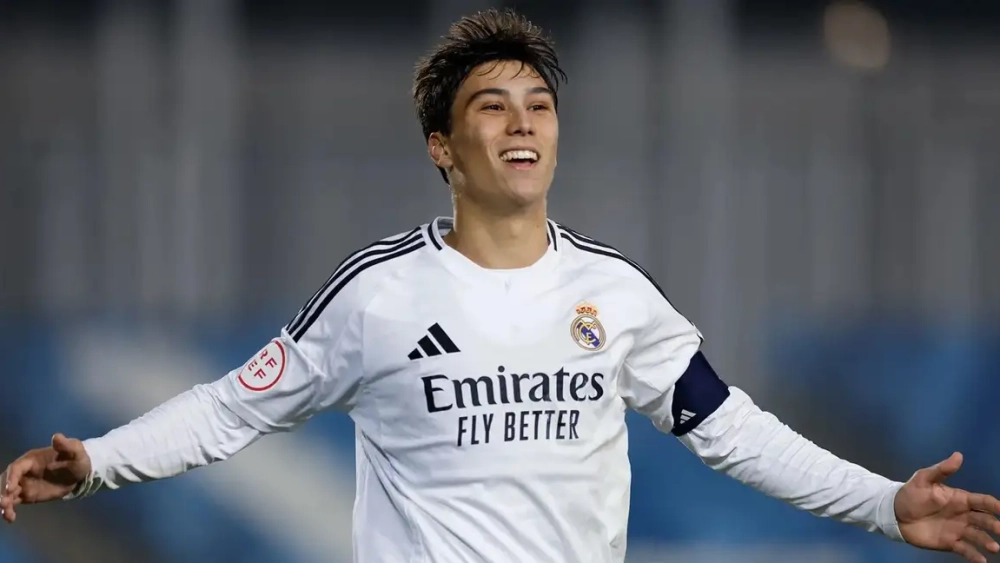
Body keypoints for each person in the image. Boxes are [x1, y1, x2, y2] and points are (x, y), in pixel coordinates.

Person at [2, 8, 999, 563]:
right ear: (443, 145)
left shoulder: (615, 295)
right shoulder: (375, 295)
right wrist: (95, 461)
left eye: (538, 103)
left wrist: (883, 503)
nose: (523, 123)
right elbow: (231, 407)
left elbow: (729, 428)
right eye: (492, 105)